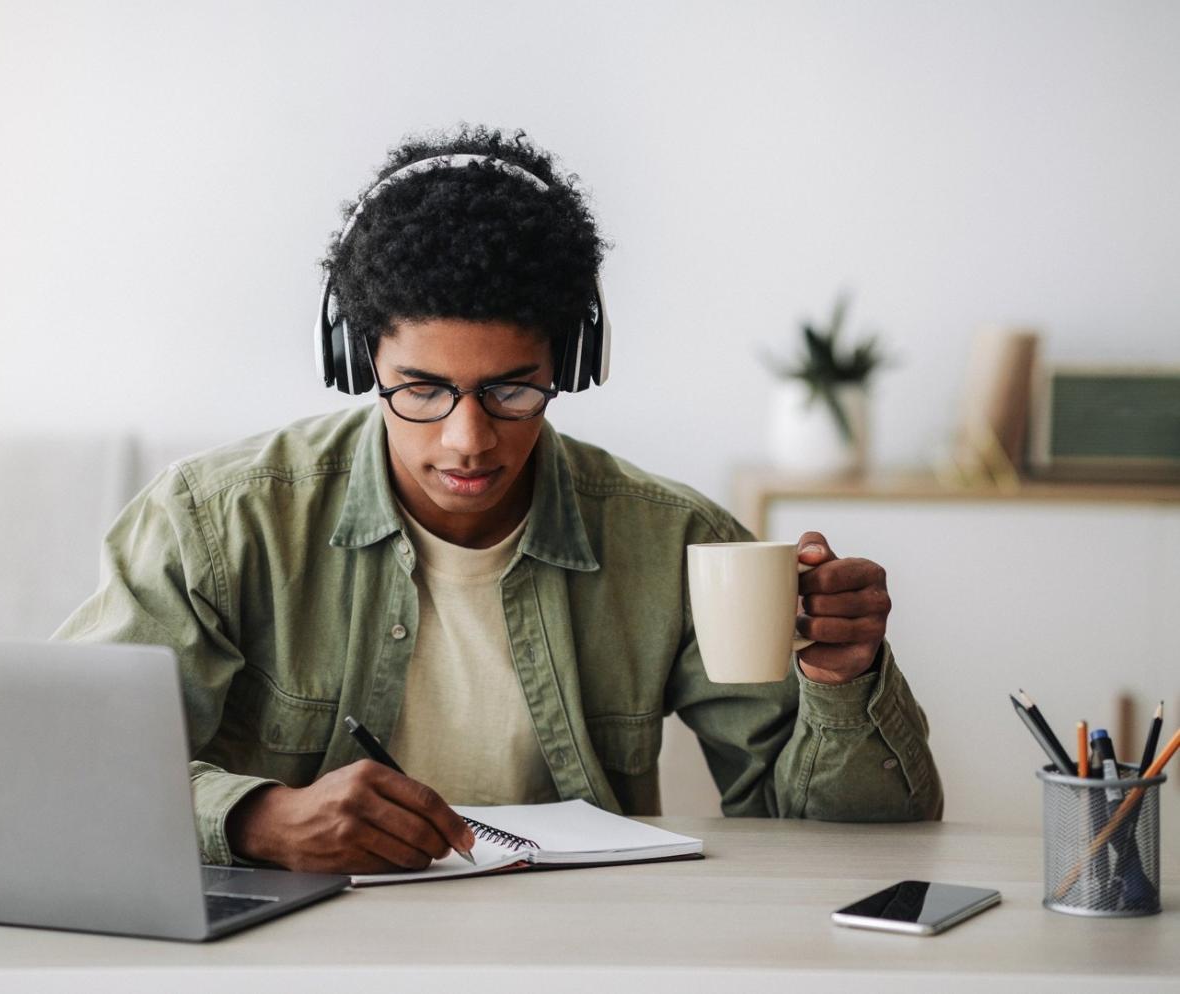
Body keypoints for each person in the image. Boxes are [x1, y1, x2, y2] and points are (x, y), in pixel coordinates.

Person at [55, 125, 942, 875]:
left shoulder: (674, 541)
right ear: (361, 361)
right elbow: (67, 765)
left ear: (569, 363)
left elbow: (846, 843)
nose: (467, 439)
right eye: (422, 389)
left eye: (512, 390)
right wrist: (258, 821)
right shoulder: (218, 524)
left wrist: (842, 676)